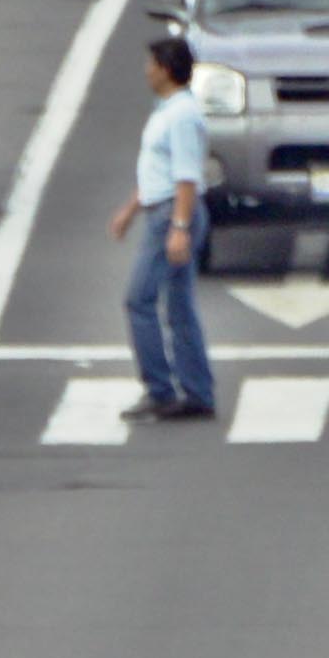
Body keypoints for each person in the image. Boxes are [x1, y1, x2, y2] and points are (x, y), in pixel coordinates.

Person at [113, 32, 218, 425]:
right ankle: (197, 392)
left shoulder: (182, 116)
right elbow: (159, 171)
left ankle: (160, 390)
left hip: (173, 215)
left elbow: (186, 176)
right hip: (162, 211)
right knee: (177, 306)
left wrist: (179, 227)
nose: (146, 71)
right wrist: (129, 208)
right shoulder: (169, 110)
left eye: (150, 64)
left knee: (139, 300)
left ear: (166, 69)